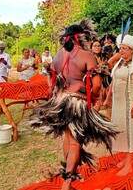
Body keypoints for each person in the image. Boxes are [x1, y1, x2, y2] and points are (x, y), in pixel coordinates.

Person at [31, 20, 118, 190]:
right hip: (77, 103)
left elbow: (53, 80)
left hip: (60, 101)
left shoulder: (58, 55)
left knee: (68, 138)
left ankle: (69, 173)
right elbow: (97, 85)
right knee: (75, 142)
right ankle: (67, 182)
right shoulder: (87, 56)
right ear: (81, 38)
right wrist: (93, 98)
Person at [110, 33, 133, 176]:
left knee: (131, 131)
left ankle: (129, 164)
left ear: (132, 50)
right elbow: (110, 65)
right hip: (118, 103)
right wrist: (108, 98)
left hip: (130, 103)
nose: (121, 51)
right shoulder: (120, 63)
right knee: (122, 130)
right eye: (120, 48)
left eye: (125, 49)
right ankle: (126, 159)